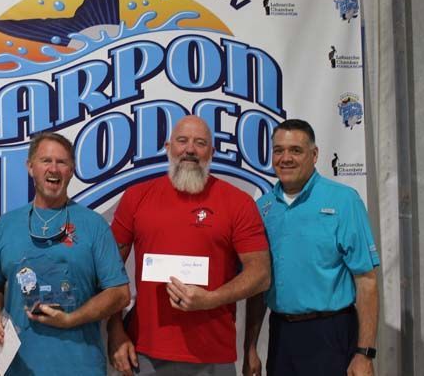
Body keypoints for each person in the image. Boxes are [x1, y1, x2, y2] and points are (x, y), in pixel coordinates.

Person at [108, 115, 271, 376]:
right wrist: (114, 329)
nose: (190, 150)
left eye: (200, 143)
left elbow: (260, 274)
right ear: (168, 147)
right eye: (182, 141)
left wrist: (211, 299)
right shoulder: (137, 197)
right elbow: (109, 268)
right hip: (144, 352)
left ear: (212, 152)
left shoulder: (238, 202)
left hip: (212, 354)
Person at [0, 132, 130, 375]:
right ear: (30, 167)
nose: (54, 168)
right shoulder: (6, 225)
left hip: (81, 366)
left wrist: (72, 319)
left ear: (71, 170)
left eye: (62, 162)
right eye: (45, 161)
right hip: (20, 367)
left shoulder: (94, 225)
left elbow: (120, 294)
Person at [243, 119, 379, 376]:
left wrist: (364, 353)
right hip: (281, 335)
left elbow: (366, 280)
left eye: (296, 150)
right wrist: (250, 347)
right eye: (279, 150)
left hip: (332, 333)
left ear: (314, 155)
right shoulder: (263, 209)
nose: (286, 158)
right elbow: (257, 287)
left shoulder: (344, 200)